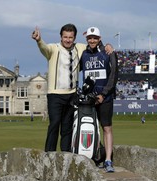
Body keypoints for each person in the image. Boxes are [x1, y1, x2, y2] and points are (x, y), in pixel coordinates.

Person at [32, 24, 113, 152]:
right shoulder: (53, 48)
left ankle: (65, 156)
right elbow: (44, 48)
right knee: (54, 124)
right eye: (65, 37)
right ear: (61, 37)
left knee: (67, 128)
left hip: (71, 94)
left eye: (70, 37)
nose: (68, 40)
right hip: (55, 94)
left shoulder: (80, 48)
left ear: (74, 38)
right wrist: (39, 40)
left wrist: (106, 45)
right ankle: (49, 156)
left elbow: (93, 43)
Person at [80, 27, 118, 172]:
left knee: (107, 128)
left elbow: (113, 76)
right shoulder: (84, 54)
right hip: (89, 99)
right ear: (87, 39)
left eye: (95, 38)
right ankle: (94, 157)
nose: (92, 40)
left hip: (105, 98)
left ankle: (108, 160)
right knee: (90, 128)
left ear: (99, 38)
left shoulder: (108, 52)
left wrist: (103, 94)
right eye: (90, 38)